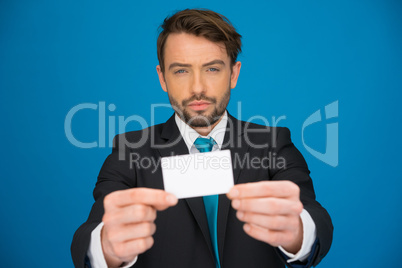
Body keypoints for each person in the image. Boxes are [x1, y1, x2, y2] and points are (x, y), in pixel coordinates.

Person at [71, 8, 333, 268]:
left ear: (233, 73)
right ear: (162, 78)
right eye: (181, 71)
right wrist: (106, 245)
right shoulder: (130, 151)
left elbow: (315, 217)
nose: (197, 88)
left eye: (211, 69)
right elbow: (89, 236)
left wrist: (298, 231)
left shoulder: (273, 144)